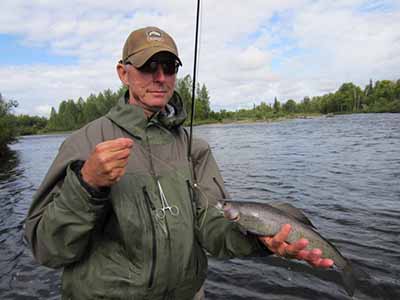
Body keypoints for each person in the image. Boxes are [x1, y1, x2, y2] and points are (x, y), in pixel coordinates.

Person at [24, 26, 333, 300]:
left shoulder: (194, 148)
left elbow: (211, 227)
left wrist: (260, 239)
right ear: (123, 72)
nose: (160, 77)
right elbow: (47, 248)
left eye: (169, 67)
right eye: (148, 66)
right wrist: (86, 185)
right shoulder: (82, 144)